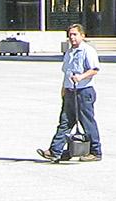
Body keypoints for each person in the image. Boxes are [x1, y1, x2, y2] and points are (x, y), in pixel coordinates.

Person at [37, 24, 101, 163]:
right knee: (65, 122)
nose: (72, 37)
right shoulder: (69, 52)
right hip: (70, 91)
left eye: (75, 34)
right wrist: (64, 88)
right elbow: (66, 72)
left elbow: (94, 70)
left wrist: (81, 77)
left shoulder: (87, 51)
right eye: (70, 35)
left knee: (87, 122)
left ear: (82, 36)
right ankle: (55, 151)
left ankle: (95, 151)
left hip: (84, 92)